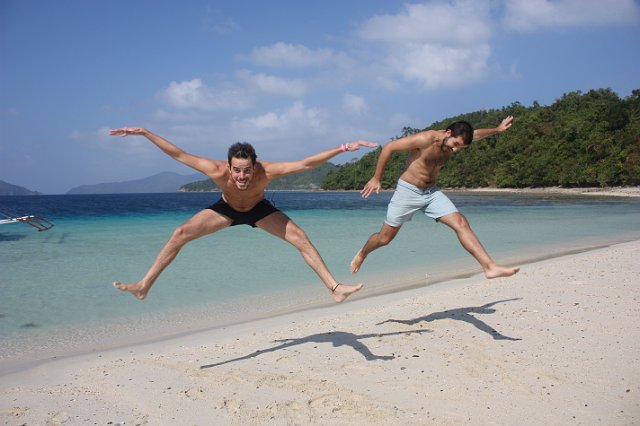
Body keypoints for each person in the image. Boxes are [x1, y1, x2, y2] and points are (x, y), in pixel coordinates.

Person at [109, 127, 377, 302]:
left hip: (258, 209)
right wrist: (145, 133)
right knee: (180, 234)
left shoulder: (266, 171)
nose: (241, 176)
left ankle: (334, 289)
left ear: (254, 166)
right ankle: (144, 286)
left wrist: (343, 148)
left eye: (247, 170)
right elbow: (177, 154)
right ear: (228, 167)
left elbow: (306, 163)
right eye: (236, 170)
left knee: (299, 237)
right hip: (226, 210)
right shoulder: (215, 170)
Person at [350, 116, 520, 279]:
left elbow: (476, 134)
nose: (455, 150)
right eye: (455, 144)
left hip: (431, 193)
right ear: (448, 133)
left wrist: (497, 129)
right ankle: (363, 253)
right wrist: (376, 178)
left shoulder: (455, 140)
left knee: (461, 222)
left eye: (460, 147)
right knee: (384, 238)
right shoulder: (426, 139)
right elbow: (389, 147)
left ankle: (489, 267)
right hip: (407, 192)